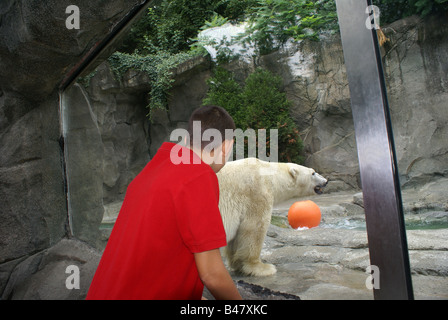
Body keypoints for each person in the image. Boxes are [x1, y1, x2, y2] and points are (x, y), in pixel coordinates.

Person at [86, 105, 242, 300]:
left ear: (186, 140)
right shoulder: (198, 176)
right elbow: (212, 275)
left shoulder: (158, 167)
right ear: (227, 146)